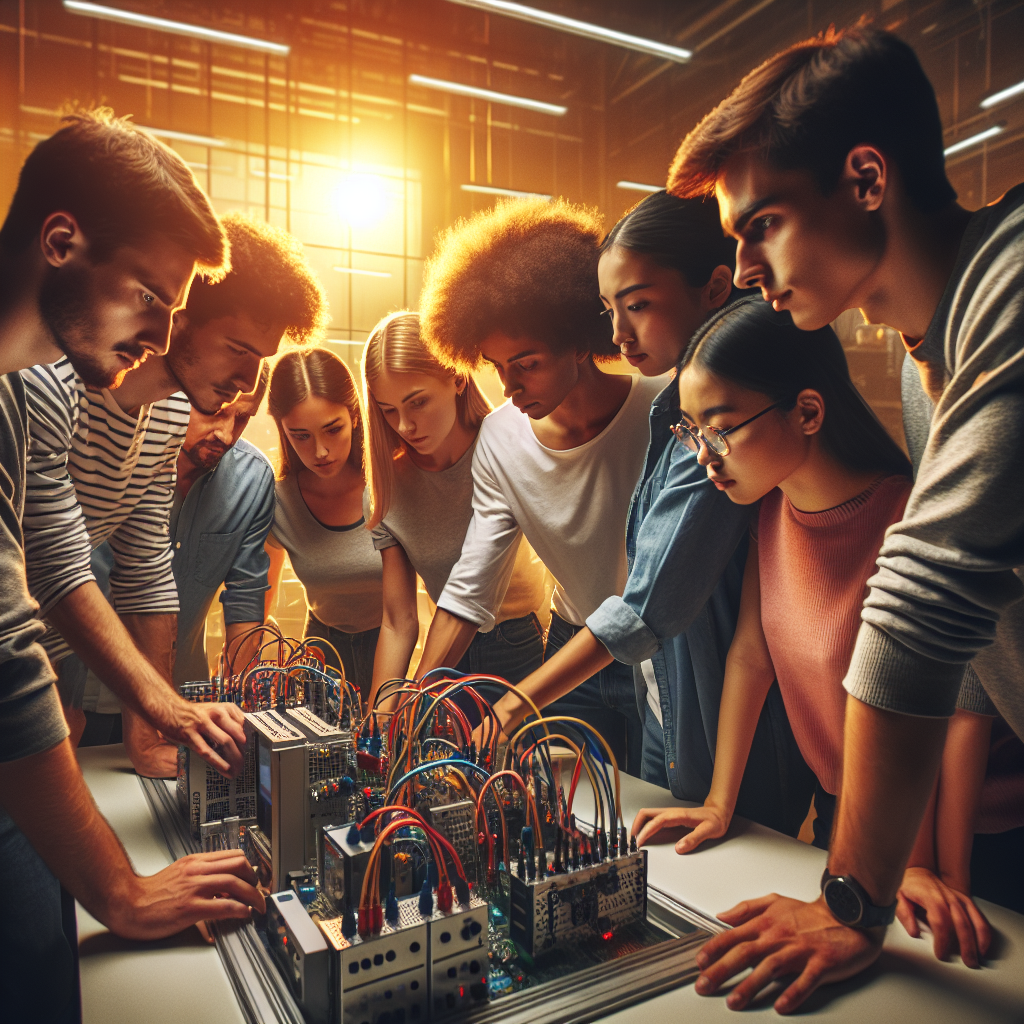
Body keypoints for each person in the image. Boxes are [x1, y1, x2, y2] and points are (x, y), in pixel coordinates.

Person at [665, 25, 1024, 1012]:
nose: (743, 268)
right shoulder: (929, 362)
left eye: (761, 225)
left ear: (866, 179)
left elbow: (927, 596)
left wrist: (852, 898)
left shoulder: (1012, 290)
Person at [632, 297, 997, 966]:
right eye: (693, 432)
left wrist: (932, 871)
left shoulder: (905, 520)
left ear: (807, 411)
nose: (705, 457)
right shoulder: (769, 508)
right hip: (853, 822)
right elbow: (751, 656)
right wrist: (721, 802)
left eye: (721, 429)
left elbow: (953, 715)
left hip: (953, 835)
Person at [0, 109, 261, 1024]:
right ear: (62, 241)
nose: (163, 332)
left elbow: (59, 547)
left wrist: (163, 704)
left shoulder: (18, 388)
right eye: (151, 294)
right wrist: (123, 890)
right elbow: (3, 652)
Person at [483, 191, 812, 837]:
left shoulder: (725, 417)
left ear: (715, 287)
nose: (617, 335)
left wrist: (513, 706)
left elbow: (646, 606)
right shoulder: (677, 407)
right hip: (669, 699)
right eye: (609, 310)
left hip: (722, 717)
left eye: (636, 305)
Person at [23, 212, 327, 778]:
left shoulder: (164, 417)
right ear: (180, 318)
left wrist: (149, 730)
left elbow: (145, 574)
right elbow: (56, 568)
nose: (248, 378)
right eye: (238, 348)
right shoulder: (50, 381)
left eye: (259, 360)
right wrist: (167, 709)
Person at [414, 198, 665, 773]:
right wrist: (417, 699)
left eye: (526, 363)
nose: (508, 387)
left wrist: (511, 707)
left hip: (663, 658)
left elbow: (648, 598)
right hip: (569, 650)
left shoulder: (662, 411)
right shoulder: (501, 440)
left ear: (580, 340)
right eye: (497, 366)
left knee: (656, 819)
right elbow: (471, 587)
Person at [61, 369, 277, 743]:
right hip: (73, 698)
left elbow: (245, 601)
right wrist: (54, 694)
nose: (226, 433)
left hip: (176, 703)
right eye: (215, 411)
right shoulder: (117, 454)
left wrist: (236, 707)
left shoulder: (253, 480)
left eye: (242, 417)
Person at [362, 311, 549, 703]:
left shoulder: (506, 445)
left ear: (458, 377)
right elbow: (398, 622)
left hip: (525, 645)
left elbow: (474, 590)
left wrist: (415, 698)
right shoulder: (385, 488)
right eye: (388, 410)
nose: (405, 426)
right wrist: (378, 719)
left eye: (417, 402)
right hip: (445, 655)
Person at [267, 348, 383, 697]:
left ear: (355, 418)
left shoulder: (388, 486)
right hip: (320, 651)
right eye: (300, 435)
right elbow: (260, 599)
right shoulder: (279, 501)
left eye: (332, 429)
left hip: (392, 644)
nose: (320, 451)